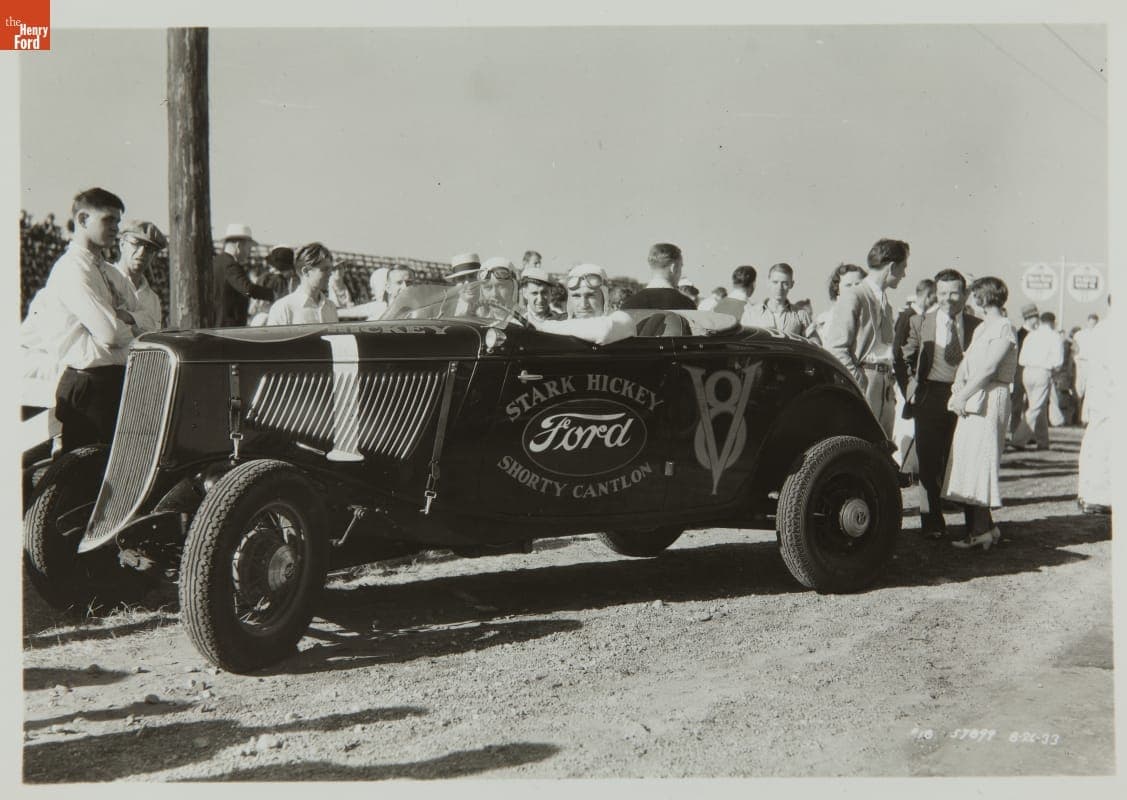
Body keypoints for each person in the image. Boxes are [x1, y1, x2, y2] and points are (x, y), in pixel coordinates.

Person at [34, 188, 137, 452]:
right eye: (108, 220)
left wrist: (124, 319)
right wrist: (127, 322)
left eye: (118, 221)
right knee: (85, 478)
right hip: (88, 386)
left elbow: (147, 319)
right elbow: (111, 334)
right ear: (82, 219)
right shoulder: (72, 270)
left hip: (112, 382)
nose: (116, 228)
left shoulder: (107, 272)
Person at [901, 269, 981, 539]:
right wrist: (912, 388)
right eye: (943, 293)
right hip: (930, 396)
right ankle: (932, 523)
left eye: (954, 292)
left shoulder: (976, 325)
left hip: (965, 397)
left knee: (965, 458)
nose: (948, 299)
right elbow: (905, 357)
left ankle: (975, 524)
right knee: (929, 461)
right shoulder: (919, 321)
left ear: (965, 294)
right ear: (936, 293)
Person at [941, 277, 1019, 550]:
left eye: (974, 294)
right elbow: (967, 363)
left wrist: (963, 394)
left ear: (984, 297)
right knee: (968, 460)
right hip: (974, 397)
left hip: (990, 398)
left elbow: (988, 369)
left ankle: (981, 530)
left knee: (980, 461)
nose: (970, 299)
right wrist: (958, 388)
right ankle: (985, 528)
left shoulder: (1004, 327)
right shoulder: (982, 328)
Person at [823, 238, 910, 438]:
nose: (904, 274)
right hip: (865, 381)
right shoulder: (855, 295)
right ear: (891, 267)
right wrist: (859, 382)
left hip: (884, 385)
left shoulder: (885, 303)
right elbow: (836, 348)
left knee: (881, 449)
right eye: (903, 267)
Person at [531, 263, 634, 345]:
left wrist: (542, 327)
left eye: (590, 296)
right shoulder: (557, 322)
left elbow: (603, 332)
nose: (583, 304)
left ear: (604, 297)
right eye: (576, 296)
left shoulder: (623, 320)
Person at [1011, 310, 1063, 450]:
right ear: (1053, 322)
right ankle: (1017, 439)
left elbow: (1021, 359)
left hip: (1027, 372)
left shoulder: (1032, 335)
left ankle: (1043, 442)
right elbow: (1058, 361)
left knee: (1038, 406)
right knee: (1035, 408)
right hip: (1042, 371)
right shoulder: (1054, 336)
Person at [1077, 299, 1111, 514]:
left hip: (1101, 395)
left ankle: (1089, 494)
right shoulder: (1111, 328)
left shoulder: (1100, 329)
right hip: (1110, 395)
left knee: (1096, 443)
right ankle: (1098, 497)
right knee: (1104, 446)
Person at [109, 219, 167, 334]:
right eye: (136, 243)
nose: (142, 253)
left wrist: (128, 317)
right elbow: (108, 328)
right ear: (122, 244)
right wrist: (143, 321)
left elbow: (153, 339)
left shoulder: (152, 299)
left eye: (149, 249)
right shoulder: (105, 277)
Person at [266, 242, 340, 325]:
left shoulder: (331, 307)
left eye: (330, 269)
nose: (330, 273)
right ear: (305, 271)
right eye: (324, 269)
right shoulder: (283, 308)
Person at [216, 223, 273, 327]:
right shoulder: (230, 264)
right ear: (239, 245)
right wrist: (273, 294)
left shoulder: (216, 261)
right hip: (228, 328)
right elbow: (248, 289)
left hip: (217, 323)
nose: (249, 253)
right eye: (249, 248)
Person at [742, 262, 814, 337]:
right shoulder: (751, 313)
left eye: (785, 283)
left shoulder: (801, 315)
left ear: (791, 284)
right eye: (775, 282)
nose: (779, 287)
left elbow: (815, 344)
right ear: (768, 282)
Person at [620, 243, 697, 310]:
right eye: (681, 266)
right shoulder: (687, 305)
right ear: (673, 268)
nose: (681, 273)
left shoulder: (628, 305)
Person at [893, 279, 937, 396]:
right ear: (929, 295)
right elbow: (897, 352)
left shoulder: (916, 316)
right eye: (936, 296)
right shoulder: (908, 316)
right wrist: (907, 388)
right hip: (907, 384)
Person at [812, 263, 865, 343]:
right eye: (848, 285)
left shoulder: (875, 317)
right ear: (837, 290)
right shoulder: (823, 321)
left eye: (858, 284)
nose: (854, 290)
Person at [1009, 303, 1040, 435]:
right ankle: (1015, 430)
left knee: (1031, 404)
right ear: (1029, 318)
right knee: (1017, 404)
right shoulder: (1019, 334)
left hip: (1032, 371)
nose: (1037, 320)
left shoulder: (1037, 334)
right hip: (1019, 372)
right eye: (1034, 317)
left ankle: (1028, 433)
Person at [1072, 312, 1100, 423]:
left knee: (1089, 390)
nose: (1092, 325)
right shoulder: (1079, 334)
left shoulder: (1099, 334)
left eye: (1094, 323)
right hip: (1080, 363)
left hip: (1092, 364)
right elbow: (1074, 348)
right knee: (1079, 390)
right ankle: (1076, 415)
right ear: (1087, 322)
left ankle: (1084, 418)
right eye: (1091, 322)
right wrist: (1075, 359)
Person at [446, 252, 482, 316]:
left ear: (481, 278)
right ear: (455, 283)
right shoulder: (444, 310)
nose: (467, 283)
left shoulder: (494, 309)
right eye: (461, 278)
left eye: (472, 276)